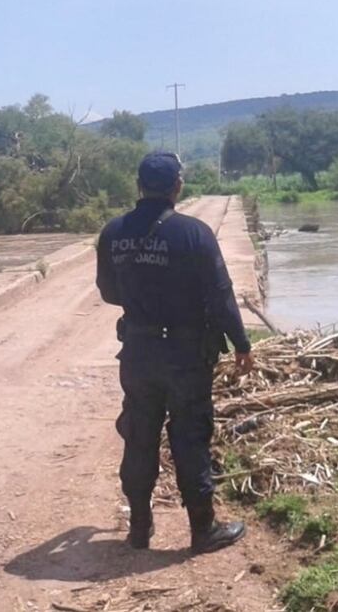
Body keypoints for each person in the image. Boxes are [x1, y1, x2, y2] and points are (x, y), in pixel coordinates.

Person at [96, 151, 255, 553]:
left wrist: (143, 298)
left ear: (138, 185)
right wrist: (241, 344)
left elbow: (109, 292)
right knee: (190, 436)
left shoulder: (113, 233)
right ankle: (203, 530)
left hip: (138, 351)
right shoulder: (194, 233)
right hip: (186, 355)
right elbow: (220, 296)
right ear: (178, 186)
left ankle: (139, 528)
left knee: (139, 435)